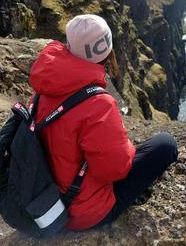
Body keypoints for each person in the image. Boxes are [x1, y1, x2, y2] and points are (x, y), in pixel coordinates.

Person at [28, 14, 178, 231]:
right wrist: (125, 146)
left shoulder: (43, 90)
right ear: (107, 51)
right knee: (166, 145)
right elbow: (114, 170)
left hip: (43, 198)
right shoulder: (98, 104)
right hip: (79, 213)